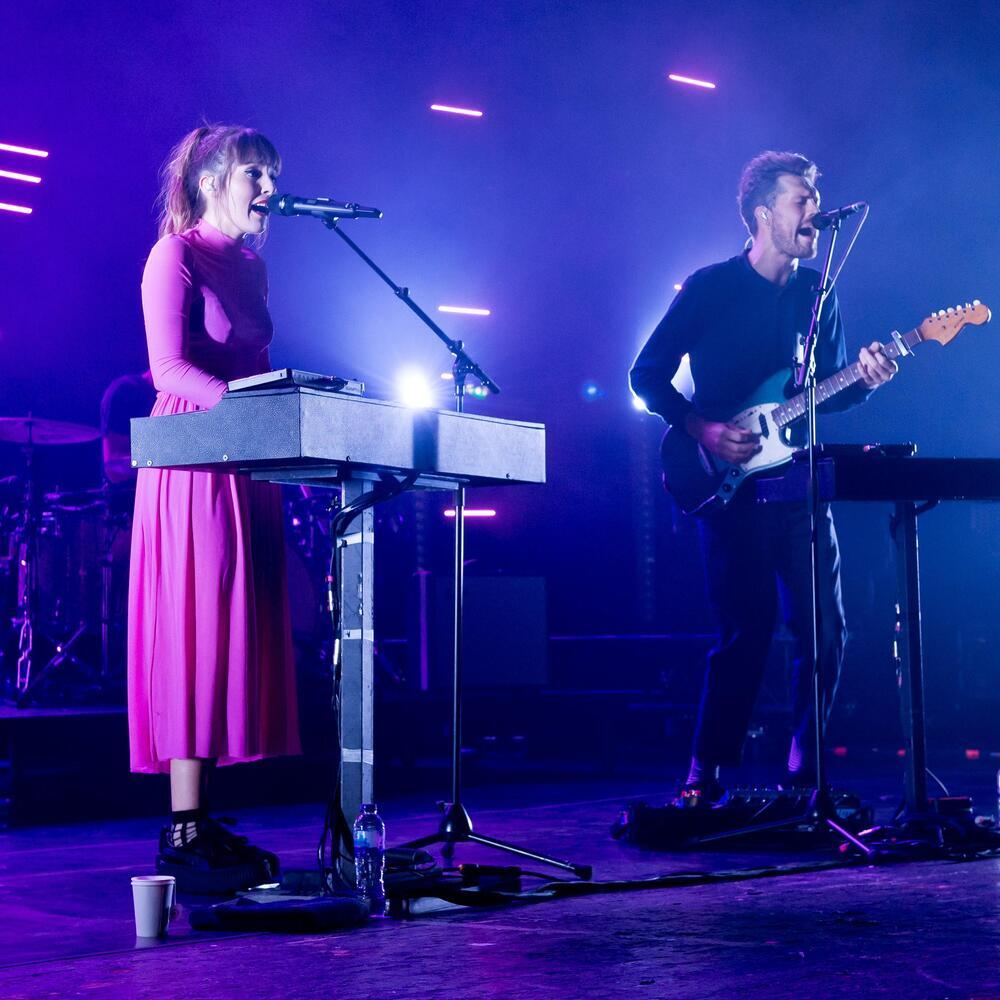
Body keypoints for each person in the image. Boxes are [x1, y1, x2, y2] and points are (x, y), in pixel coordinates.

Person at [629, 151, 897, 802]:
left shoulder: (817, 293)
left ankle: (806, 770)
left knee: (826, 631)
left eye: (815, 200)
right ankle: (705, 772)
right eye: (801, 200)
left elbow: (828, 395)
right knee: (745, 633)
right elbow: (646, 374)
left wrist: (866, 378)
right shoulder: (710, 287)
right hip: (731, 488)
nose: (814, 212)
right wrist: (700, 427)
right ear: (762, 214)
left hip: (800, 486)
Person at [128, 124, 299, 890]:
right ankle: (185, 825)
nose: (269, 188)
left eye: (273, 174)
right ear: (210, 182)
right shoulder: (174, 255)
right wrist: (244, 408)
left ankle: (204, 818)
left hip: (242, 458)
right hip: (192, 456)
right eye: (254, 173)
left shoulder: (252, 267)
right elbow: (168, 367)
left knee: (230, 627)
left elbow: (256, 363)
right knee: (192, 626)